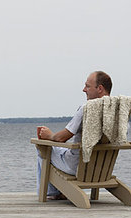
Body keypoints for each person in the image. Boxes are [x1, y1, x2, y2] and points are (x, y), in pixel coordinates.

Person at [37, 71, 112, 199]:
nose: (84, 90)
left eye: (88, 86)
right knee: (61, 149)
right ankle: (59, 192)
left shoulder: (87, 109)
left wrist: (49, 135)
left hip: (78, 167)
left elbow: (61, 138)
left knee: (43, 149)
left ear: (100, 89)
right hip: (102, 169)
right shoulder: (116, 112)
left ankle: (51, 194)